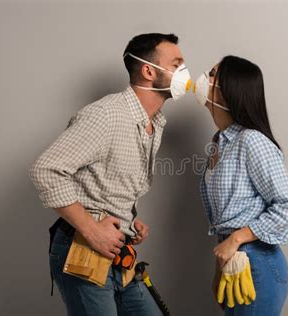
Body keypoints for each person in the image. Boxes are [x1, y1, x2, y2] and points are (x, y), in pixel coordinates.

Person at [29, 33, 191, 316]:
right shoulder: (107, 115)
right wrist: (92, 229)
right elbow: (46, 169)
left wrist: (128, 222)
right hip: (83, 249)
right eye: (176, 64)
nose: (184, 73)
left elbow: (103, 182)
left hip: (117, 254)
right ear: (149, 70)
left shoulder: (153, 124)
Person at [194, 55, 288, 316]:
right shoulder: (220, 143)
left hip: (257, 265)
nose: (203, 78)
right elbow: (226, 220)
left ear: (228, 89)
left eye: (212, 73)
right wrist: (218, 270)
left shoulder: (251, 141)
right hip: (233, 263)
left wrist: (236, 240)